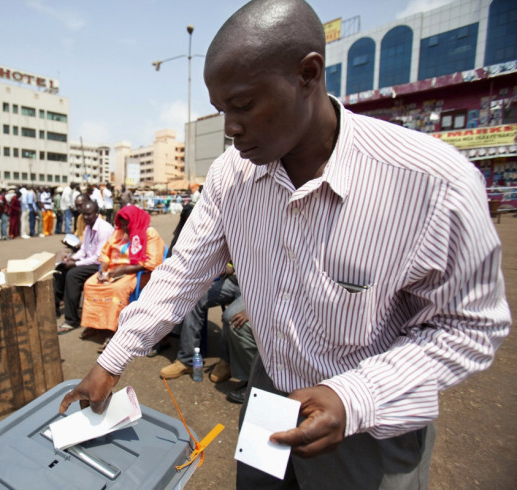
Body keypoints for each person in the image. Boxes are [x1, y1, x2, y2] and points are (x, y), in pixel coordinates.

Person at [59, 1, 511, 488]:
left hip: (370, 427)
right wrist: (112, 359)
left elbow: (470, 326)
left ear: (308, 74)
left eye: (245, 105)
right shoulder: (232, 175)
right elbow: (183, 271)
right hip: (269, 387)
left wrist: (354, 396)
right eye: (221, 111)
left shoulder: (432, 185)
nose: (230, 129)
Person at [79, 205, 165, 351]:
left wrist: (123, 269)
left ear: (135, 220)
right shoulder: (119, 231)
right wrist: (104, 267)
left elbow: (151, 263)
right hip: (114, 270)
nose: (124, 227)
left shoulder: (149, 233)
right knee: (91, 284)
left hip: (136, 272)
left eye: (127, 223)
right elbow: (106, 252)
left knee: (116, 289)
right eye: (122, 223)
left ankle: (114, 331)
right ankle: (95, 324)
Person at [55, 200, 114, 335]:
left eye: (89, 214)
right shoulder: (88, 227)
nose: (86, 217)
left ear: (97, 213)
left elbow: (98, 257)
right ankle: (55, 307)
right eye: (84, 215)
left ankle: (71, 320)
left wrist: (75, 264)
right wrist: (72, 258)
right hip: (91, 260)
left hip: (102, 264)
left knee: (73, 275)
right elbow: (84, 250)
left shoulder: (104, 229)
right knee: (61, 268)